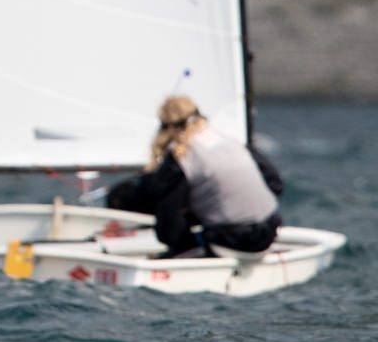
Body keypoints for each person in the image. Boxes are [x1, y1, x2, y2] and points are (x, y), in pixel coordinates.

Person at [106, 95, 283, 257]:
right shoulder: (234, 142)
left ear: (165, 125)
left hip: (234, 240)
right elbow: (275, 185)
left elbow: (169, 226)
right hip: (270, 230)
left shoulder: (182, 160)